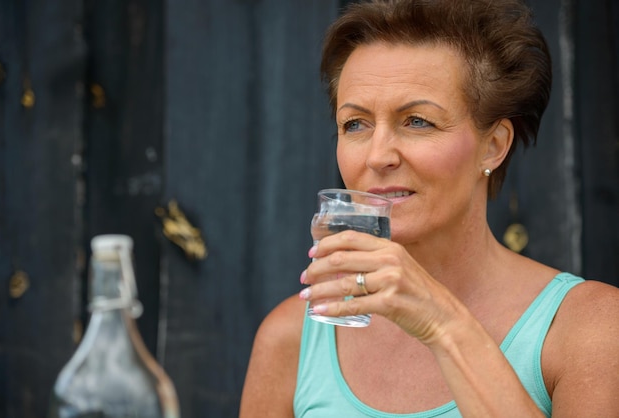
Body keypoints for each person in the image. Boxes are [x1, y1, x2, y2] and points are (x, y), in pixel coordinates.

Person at [239, 0, 619, 416]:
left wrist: (442, 324)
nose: (377, 156)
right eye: (355, 124)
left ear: (493, 146)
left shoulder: (589, 328)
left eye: (417, 121)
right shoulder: (292, 336)